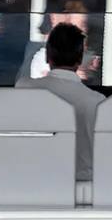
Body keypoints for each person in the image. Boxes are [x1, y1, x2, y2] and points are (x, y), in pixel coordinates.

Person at [17, 22, 106, 181]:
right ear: (79, 59)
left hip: (31, 183)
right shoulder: (98, 103)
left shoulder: (24, 88)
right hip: (81, 191)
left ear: (47, 56)